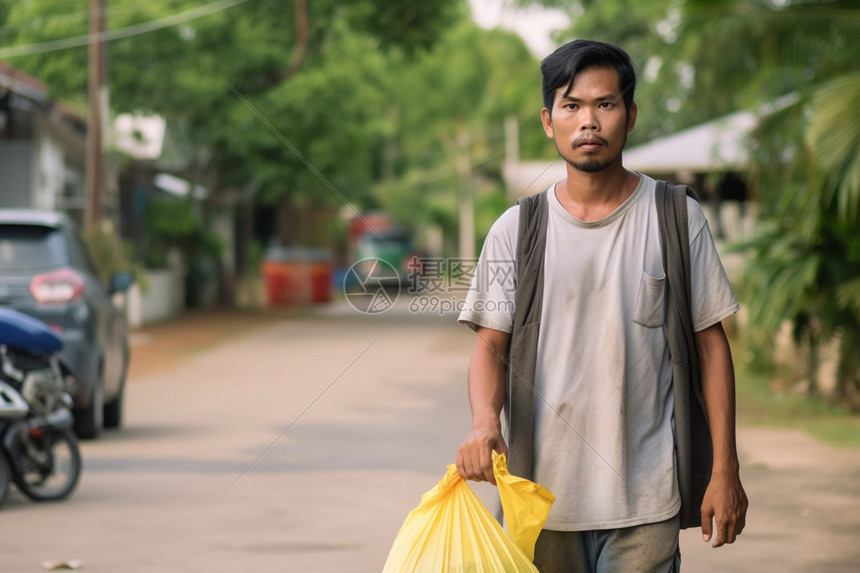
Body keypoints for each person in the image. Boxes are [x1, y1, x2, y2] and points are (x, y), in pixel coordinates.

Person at [455, 39, 748, 572]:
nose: (588, 121)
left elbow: (712, 347)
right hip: (539, 505)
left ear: (630, 116)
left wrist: (724, 469)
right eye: (571, 106)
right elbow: (490, 345)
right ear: (549, 121)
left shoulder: (676, 219)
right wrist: (482, 421)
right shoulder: (515, 231)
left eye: (604, 104)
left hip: (646, 504)